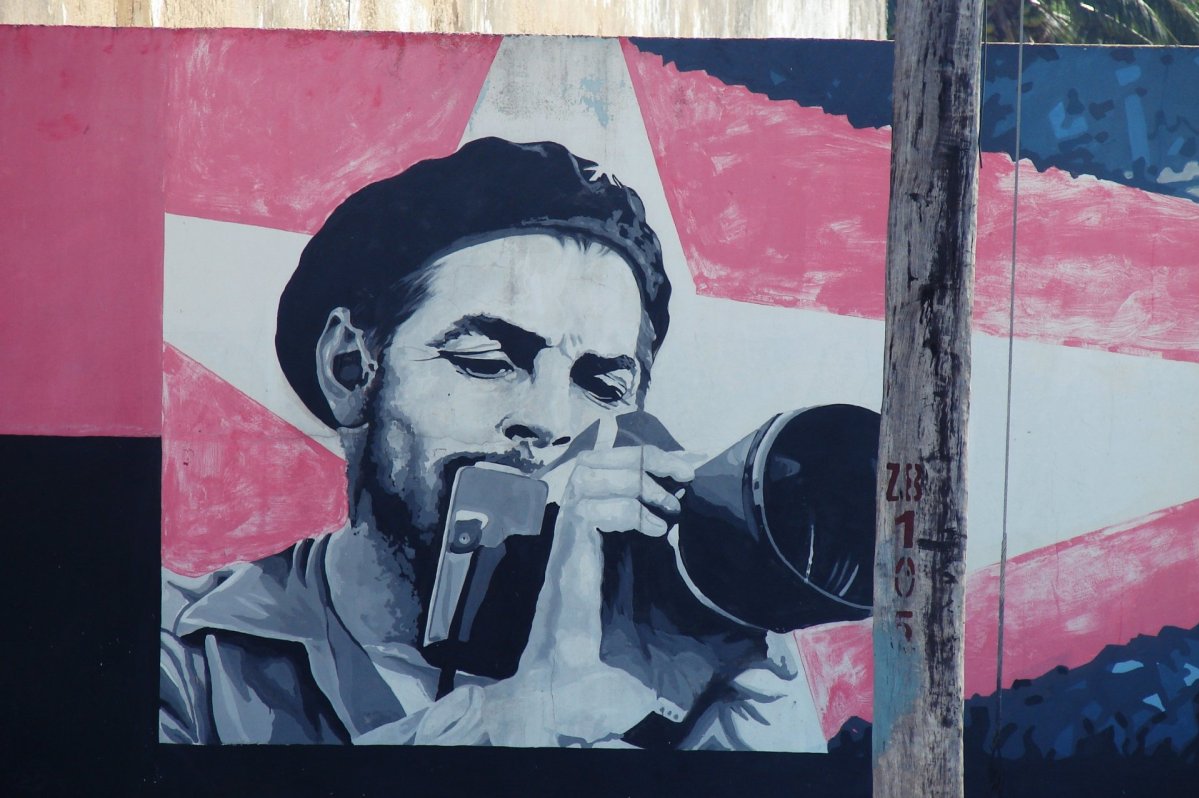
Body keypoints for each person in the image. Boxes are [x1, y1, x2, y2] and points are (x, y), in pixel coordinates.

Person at [159, 137, 826, 749]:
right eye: (485, 361)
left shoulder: (657, 681)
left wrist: (746, 720)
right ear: (350, 369)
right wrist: (509, 726)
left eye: (602, 386)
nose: (549, 420)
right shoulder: (179, 651)